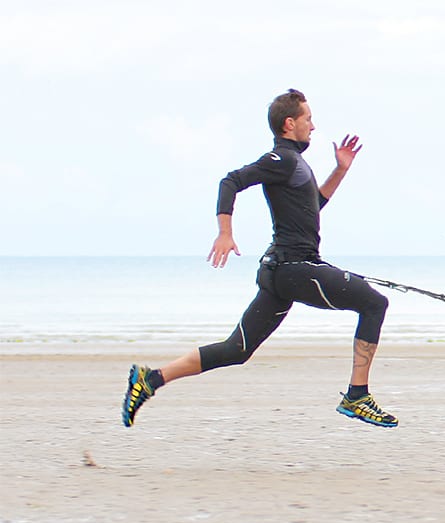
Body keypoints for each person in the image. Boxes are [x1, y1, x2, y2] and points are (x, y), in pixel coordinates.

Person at [121, 89, 398, 429]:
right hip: (295, 268)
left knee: (237, 349)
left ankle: (150, 379)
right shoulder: (280, 160)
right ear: (289, 123)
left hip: (281, 271)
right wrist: (225, 232)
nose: (313, 126)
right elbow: (231, 181)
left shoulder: (294, 164)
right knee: (374, 304)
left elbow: (314, 206)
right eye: (308, 119)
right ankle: (357, 395)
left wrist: (340, 170)